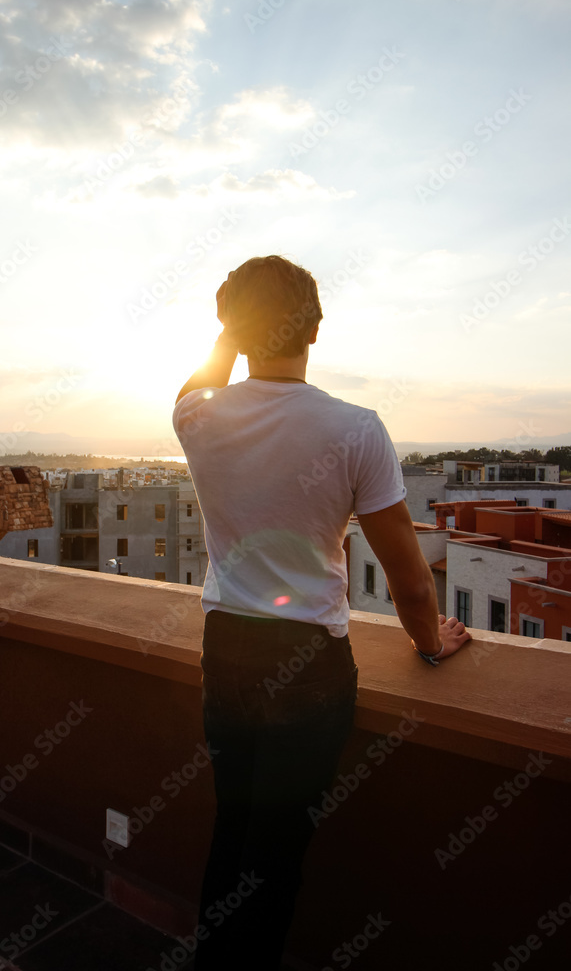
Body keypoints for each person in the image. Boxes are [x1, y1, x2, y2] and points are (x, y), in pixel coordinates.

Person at [172, 255, 471, 970]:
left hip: (226, 647)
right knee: (274, 858)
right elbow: (407, 576)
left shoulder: (195, 416)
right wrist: (432, 643)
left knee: (232, 830)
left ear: (233, 331)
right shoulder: (355, 429)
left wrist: (229, 332)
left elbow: (203, 379)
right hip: (305, 663)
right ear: (316, 327)